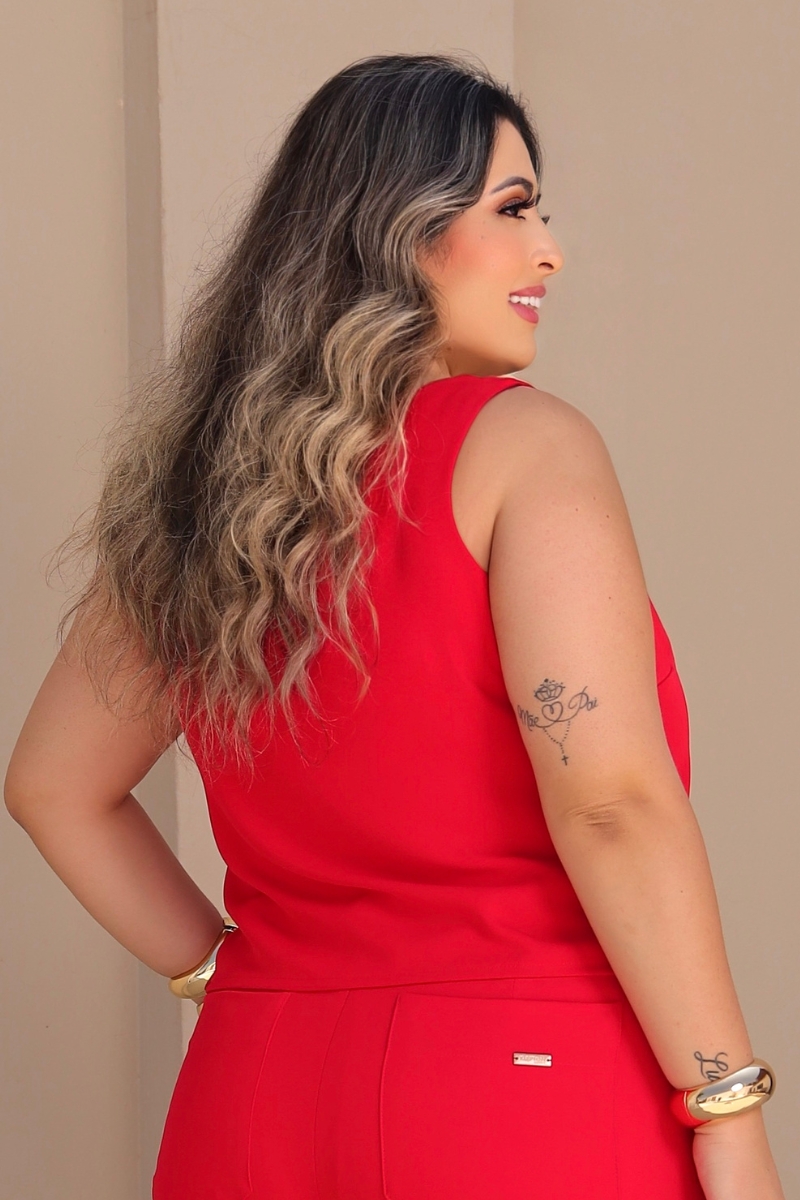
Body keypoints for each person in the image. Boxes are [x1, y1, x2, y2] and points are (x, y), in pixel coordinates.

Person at [3, 51, 785, 1200]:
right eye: (511, 210)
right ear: (398, 231)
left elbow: (51, 786)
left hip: (253, 1091)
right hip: (517, 1089)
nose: (547, 251)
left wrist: (229, 977)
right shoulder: (525, 448)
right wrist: (725, 1107)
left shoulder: (201, 496)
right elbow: (609, 802)